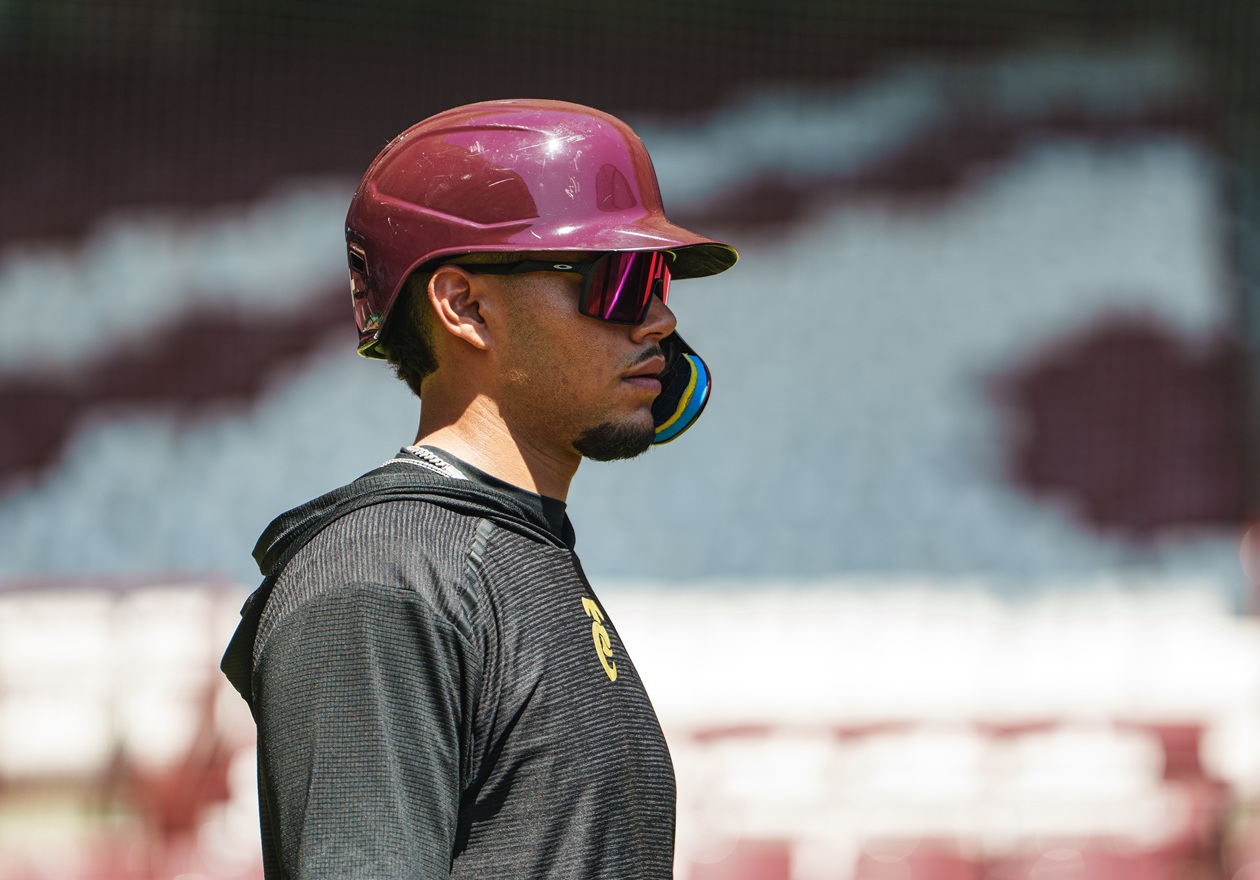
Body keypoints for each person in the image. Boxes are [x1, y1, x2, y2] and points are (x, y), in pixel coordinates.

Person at [221, 98, 737, 879]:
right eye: (621, 278)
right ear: (464, 305)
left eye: (658, 276)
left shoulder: (508, 556)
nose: (660, 319)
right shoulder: (382, 580)